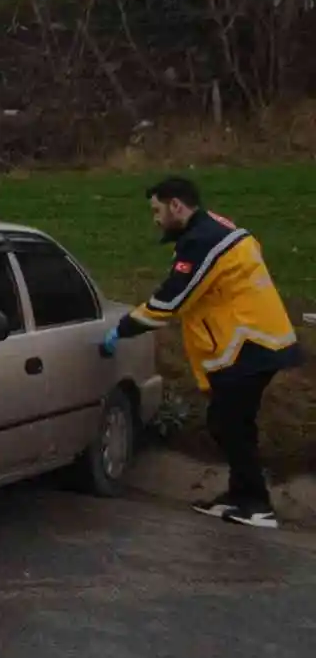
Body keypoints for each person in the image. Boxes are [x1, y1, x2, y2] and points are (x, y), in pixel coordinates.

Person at [101, 176, 303, 529]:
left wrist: (123, 327)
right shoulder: (213, 227)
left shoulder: (201, 242)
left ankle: (256, 504)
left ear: (177, 206)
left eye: (157, 210)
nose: (155, 219)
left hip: (247, 346)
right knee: (229, 423)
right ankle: (242, 496)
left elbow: (170, 301)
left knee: (230, 425)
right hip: (257, 341)